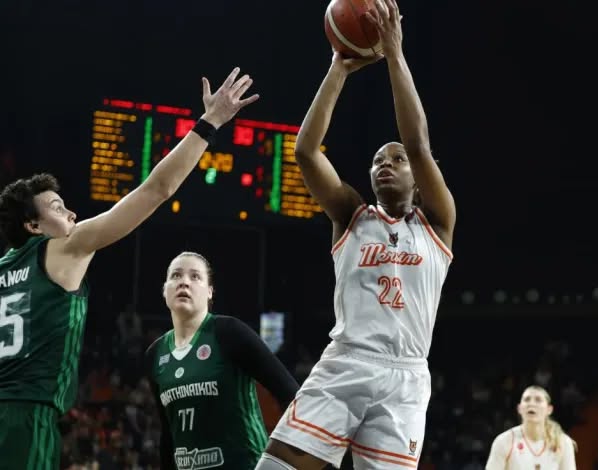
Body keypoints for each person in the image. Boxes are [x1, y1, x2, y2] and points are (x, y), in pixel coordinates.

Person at [0, 67, 259, 469]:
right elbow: (156, 190)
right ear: (33, 226)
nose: (70, 213)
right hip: (24, 419)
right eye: (56, 208)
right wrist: (209, 122)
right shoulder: (62, 248)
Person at [255, 0, 456, 468]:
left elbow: (419, 144)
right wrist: (338, 69)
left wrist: (395, 54)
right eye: (378, 160)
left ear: (420, 177)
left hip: (407, 378)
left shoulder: (437, 222)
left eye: (396, 160)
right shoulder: (351, 216)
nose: (386, 163)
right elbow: (306, 152)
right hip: (346, 362)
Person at [145, 251, 300, 469]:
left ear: (209, 292)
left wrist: (282, 461)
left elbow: (291, 393)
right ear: (165, 290)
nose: (184, 282)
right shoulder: (155, 354)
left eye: (195, 276)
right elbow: (168, 434)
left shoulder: (229, 332)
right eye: (176, 275)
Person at [485, 386, 578, 470]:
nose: (531, 404)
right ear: (519, 408)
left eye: (538, 400)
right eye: (527, 399)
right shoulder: (504, 441)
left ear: (549, 409)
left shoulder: (563, 442)